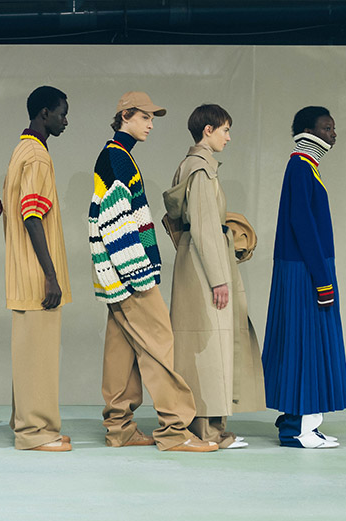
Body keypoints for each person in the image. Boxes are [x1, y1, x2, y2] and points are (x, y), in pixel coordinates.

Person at [88, 91, 217, 452]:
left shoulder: (117, 155)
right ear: (125, 116)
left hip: (117, 276)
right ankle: (175, 431)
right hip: (131, 274)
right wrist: (137, 274)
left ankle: (120, 429)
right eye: (145, 117)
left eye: (152, 119)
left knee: (120, 350)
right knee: (160, 346)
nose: (150, 125)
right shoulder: (117, 158)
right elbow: (114, 221)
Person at [163, 104, 265, 449]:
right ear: (208, 130)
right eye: (225, 130)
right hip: (205, 267)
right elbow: (206, 226)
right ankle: (208, 432)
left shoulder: (189, 166)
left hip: (193, 261)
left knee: (202, 346)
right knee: (209, 348)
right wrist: (219, 278)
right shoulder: (202, 169)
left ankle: (212, 428)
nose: (228, 137)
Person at [262, 106, 346, 448]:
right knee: (304, 344)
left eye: (333, 128)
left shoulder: (305, 166)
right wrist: (322, 279)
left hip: (304, 267)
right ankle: (297, 430)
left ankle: (301, 425)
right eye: (327, 128)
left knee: (303, 343)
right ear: (308, 131)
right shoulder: (300, 166)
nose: (333, 134)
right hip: (304, 270)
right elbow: (302, 223)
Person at [3, 86, 72, 452]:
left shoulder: (22, 149)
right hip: (36, 278)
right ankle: (35, 433)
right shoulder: (37, 156)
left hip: (23, 272)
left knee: (30, 356)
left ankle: (27, 425)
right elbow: (32, 216)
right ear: (45, 113)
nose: (65, 121)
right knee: (39, 359)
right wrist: (50, 275)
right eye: (62, 113)